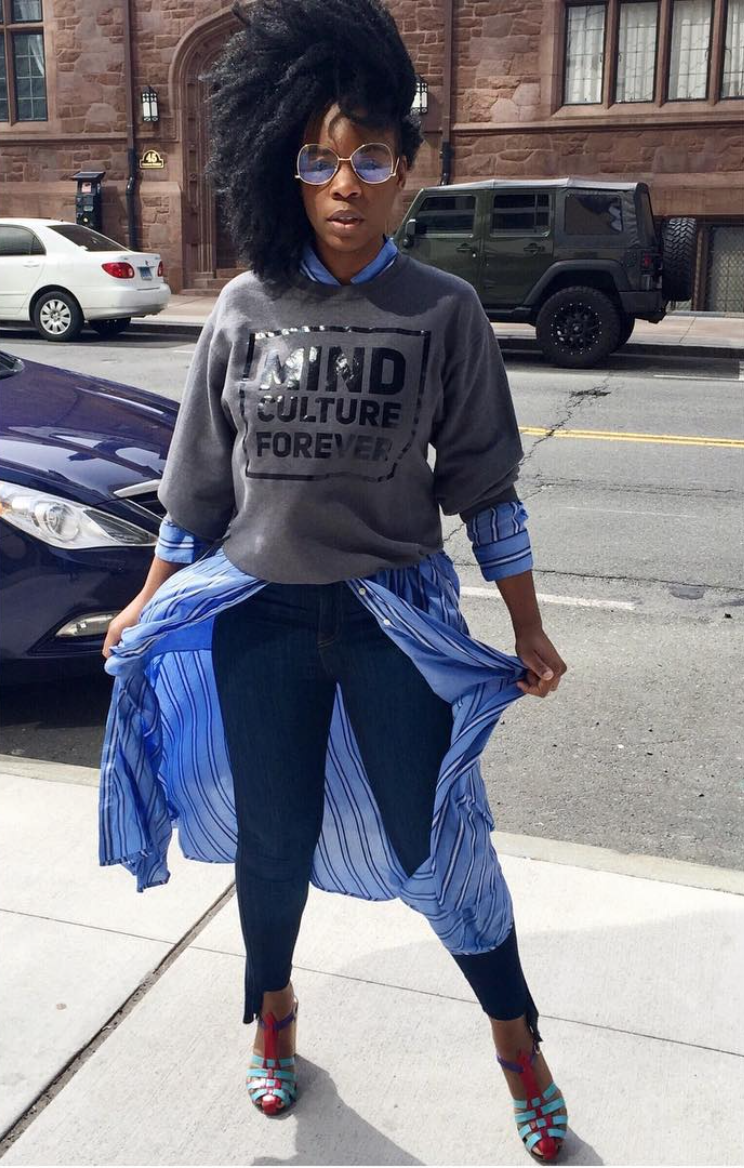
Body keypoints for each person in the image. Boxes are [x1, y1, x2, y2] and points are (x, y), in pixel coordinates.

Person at [100, 0, 569, 1159]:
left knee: (436, 841)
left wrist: (528, 626)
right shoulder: (245, 308)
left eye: (370, 158)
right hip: (258, 620)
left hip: (392, 622)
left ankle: (518, 1043)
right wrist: (150, 593)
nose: (344, 184)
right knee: (273, 839)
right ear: (288, 169)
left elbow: (486, 490)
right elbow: (196, 489)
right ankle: (272, 1015)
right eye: (319, 159)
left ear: (407, 167)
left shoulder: (445, 311)